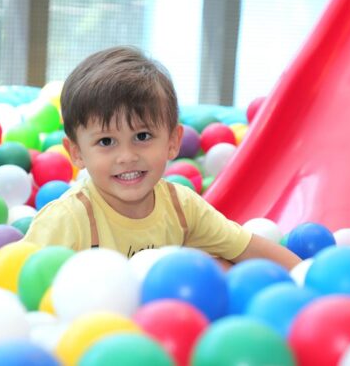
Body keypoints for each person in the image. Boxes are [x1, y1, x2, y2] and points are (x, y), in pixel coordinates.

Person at [23, 46, 301, 270]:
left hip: (167, 320)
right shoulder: (65, 221)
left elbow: (248, 248)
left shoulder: (181, 207)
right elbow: (22, 282)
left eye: (142, 136)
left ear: (172, 142)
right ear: (76, 153)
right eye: (106, 141)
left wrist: (304, 277)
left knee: (221, 266)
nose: (127, 157)